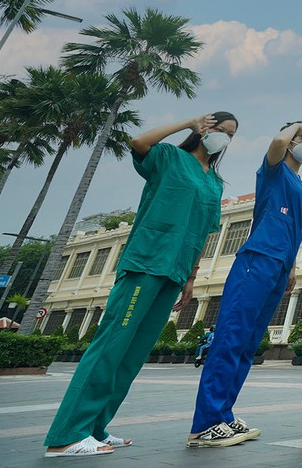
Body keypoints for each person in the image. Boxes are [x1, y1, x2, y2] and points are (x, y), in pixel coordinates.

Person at [44, 112, 237, 457]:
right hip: (147, 261)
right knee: (110, 348)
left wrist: (191, 280)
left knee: (131, 357)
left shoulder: (215, 182)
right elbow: (139, 143)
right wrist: (187, 123)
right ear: (204, 129)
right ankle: (66, 436)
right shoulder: (168, 158)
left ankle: (95, 428)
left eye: (230, 135)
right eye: (219, 130)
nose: (223, 138)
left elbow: (205, 232)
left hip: (175, 271)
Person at [187, 121, 302, 447]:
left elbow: (296, 231)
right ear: (289, 141)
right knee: (230, 339)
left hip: (279, 267)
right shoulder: (274, 172)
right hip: (256, 260)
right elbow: (275, 142)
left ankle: (224, 416)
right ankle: (204, 425)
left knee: (247, 346)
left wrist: (291, 268)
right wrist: (297, 126)